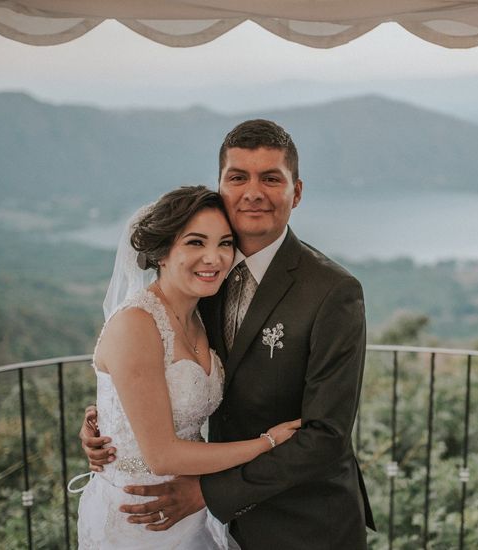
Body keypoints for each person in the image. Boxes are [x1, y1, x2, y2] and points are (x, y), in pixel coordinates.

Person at [80, 120, 374, 549]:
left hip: (301, 522)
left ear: (296, 192)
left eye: (271, 178)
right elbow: (154, 368)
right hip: (194, 521)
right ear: (222, 187)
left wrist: (207, 493)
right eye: (238, 177)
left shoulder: (333, 292)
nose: (253, 192)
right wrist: (108, 421)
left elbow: (326, 437)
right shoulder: (203, 281)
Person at [74, 186, 301, 549]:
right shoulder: (136, 322)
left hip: (192, 506)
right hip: (139, 515)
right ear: (162, 252)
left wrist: (102, 415)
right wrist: (267, 444)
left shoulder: (202, 315)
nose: (214, 258)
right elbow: (162, 455)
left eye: (225, 243)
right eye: (196, 243)